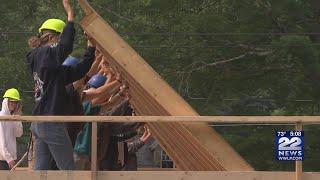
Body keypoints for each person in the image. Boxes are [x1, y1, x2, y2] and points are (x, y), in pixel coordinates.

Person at [26, 0, 95, 170]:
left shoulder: (50, 68)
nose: (60, 43)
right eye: (59, 37)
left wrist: (90, 49)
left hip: (40, 123)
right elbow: (65, 47)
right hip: (50, 121)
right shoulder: (41, 54)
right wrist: (70, 17)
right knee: (68, 170)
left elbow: (78, 71)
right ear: (51, 37)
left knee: (41, 171)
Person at [0, 88, 23, 170]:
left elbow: (19, 134)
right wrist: (8, 158)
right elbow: (1, 141)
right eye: (11, 102)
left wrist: (17, 118)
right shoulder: (1, 117)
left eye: (15, 102)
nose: (14, 104)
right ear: (6, 102)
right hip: (2, 160)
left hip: (10, 159)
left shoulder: (12, 117)